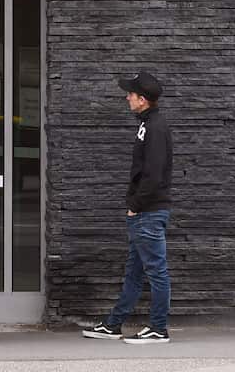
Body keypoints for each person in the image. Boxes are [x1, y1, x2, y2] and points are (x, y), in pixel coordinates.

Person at [81, 71, 173, 345]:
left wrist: (135, 205)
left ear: (142, 99)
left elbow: (154, 174)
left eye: (131, 94)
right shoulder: (148, 123)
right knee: (134, 271)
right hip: (144, 212)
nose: (127, 97)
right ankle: (113, 324)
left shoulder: (155, 127)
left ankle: (158, 328)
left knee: (156, 270)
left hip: (148, 211)